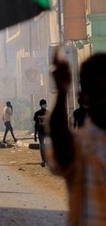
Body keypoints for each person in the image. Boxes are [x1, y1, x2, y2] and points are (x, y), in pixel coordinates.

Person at [48, 48, 106, 225]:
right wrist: (61, 92)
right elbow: (61, 148)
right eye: (99, 93)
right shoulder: (82, 144)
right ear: (84, 98)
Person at [33, 99, 48, 167]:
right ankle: (43, 160)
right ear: (40, 105)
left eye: (45, 104)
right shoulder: (37, 113)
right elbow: (36, 125)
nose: (44, 105)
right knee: (42, 146)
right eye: (43, 104)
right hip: (40, 132)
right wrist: (35, 135)